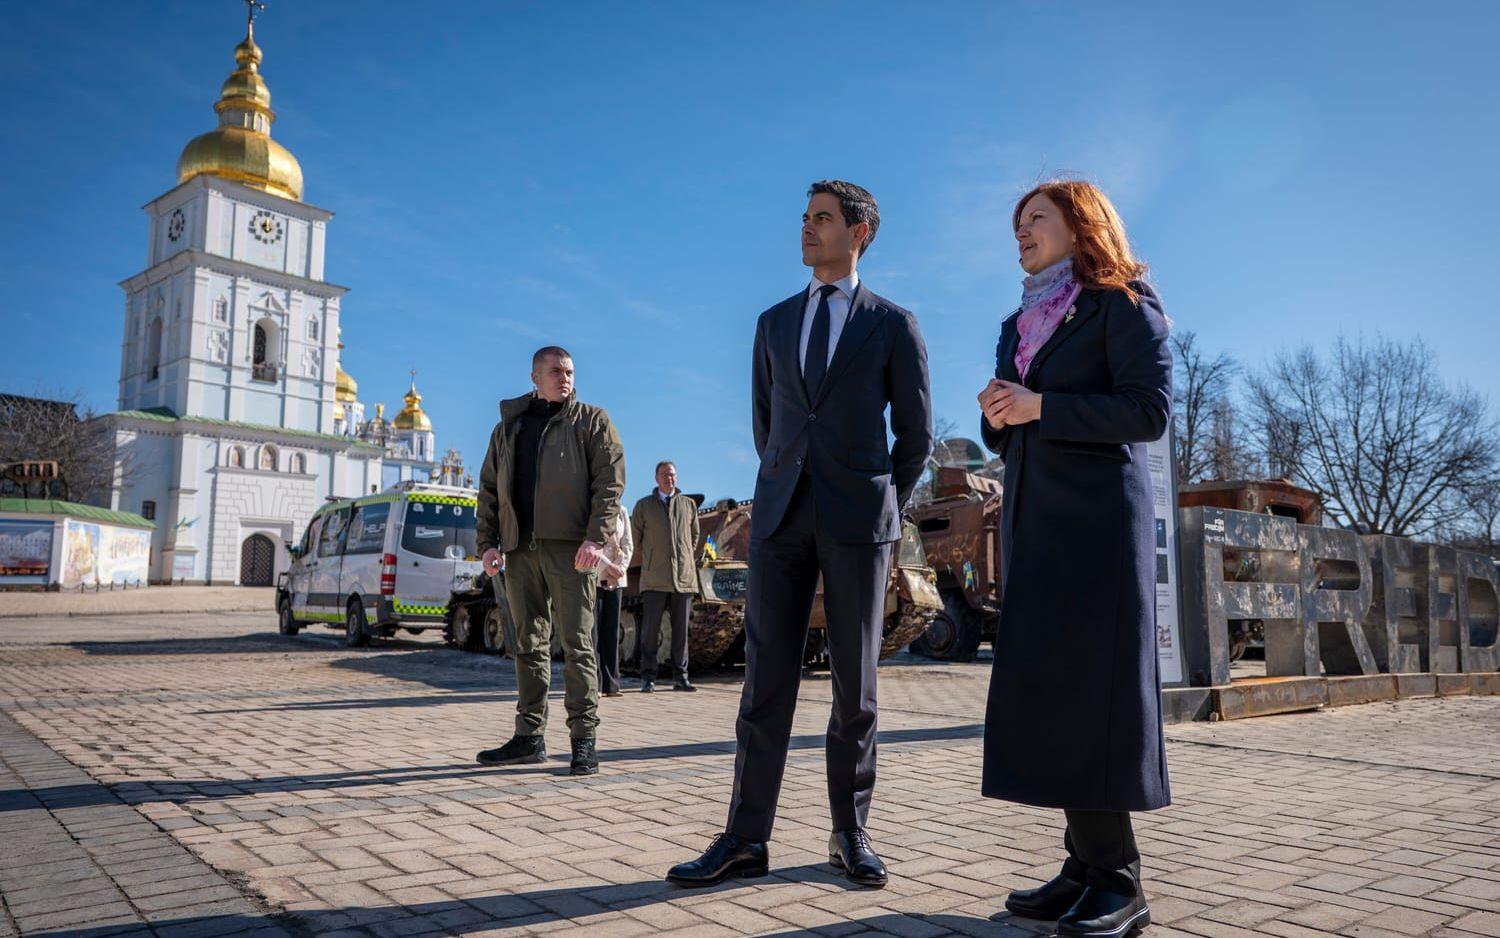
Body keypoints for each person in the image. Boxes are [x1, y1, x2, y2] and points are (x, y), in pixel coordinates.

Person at [668, 180, 932, 889]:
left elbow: (915, 437)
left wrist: (881, 504)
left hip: (858, 523)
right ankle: (744, 838)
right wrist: (786, 479)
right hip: (781, 519)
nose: (808, 229)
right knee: (764, 685)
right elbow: (768, 424)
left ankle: (850, 832)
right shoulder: (774, 322)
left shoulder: (893, 324)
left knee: (857, 687)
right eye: (806, 219)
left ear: (861, 232)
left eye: (822, 219)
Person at [977, 180, 1172, 937]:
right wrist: (1001, 415)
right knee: (1054, 693)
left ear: (1078, 224)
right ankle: (1083, 866)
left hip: (1097, 528)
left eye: (1036, 219)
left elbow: (1147, 411)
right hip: (1036, 523)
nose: (1020, 232)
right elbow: (1014, 424)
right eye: (1017, 222)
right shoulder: (1020, 320)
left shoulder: (1123, 302)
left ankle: (1120, 882)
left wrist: (1042, 407)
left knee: (1094, 696)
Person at [474, 346, 626, 776]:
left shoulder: (592, 421)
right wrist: (488, 543)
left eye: (571, 371)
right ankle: (529, 737)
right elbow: (489, 489)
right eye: (557, 371)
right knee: (527, 645)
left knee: (578, 645)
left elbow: (610, 484)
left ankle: (584, 741)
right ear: (535, 377)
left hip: (571, 550)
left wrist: (596, 539)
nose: (566, 378)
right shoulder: (508, 428)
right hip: (519, 550)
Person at [630, 460, 701, 693]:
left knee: (681, 632)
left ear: (676, 477)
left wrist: (683, 558)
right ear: (656, 478)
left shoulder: (688, 505)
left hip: (683, 578)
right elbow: (636, 540)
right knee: (651, 631)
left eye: (671, 474)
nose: (668, 478)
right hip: (655, 578)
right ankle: (648, 677)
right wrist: (653, 557)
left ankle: (681, 677)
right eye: (664, 474)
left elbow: (693, 537)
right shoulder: (644, 506)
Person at [592, 499, 633, 697]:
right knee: (594, 633)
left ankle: (611, 684)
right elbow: (590, 543)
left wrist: (621, 567)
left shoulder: (622, 511)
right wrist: (608, 566)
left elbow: (628, 543)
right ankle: (596, 684)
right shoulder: (592, 509)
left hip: (617, 578)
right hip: (596, 574)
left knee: (611, 631)